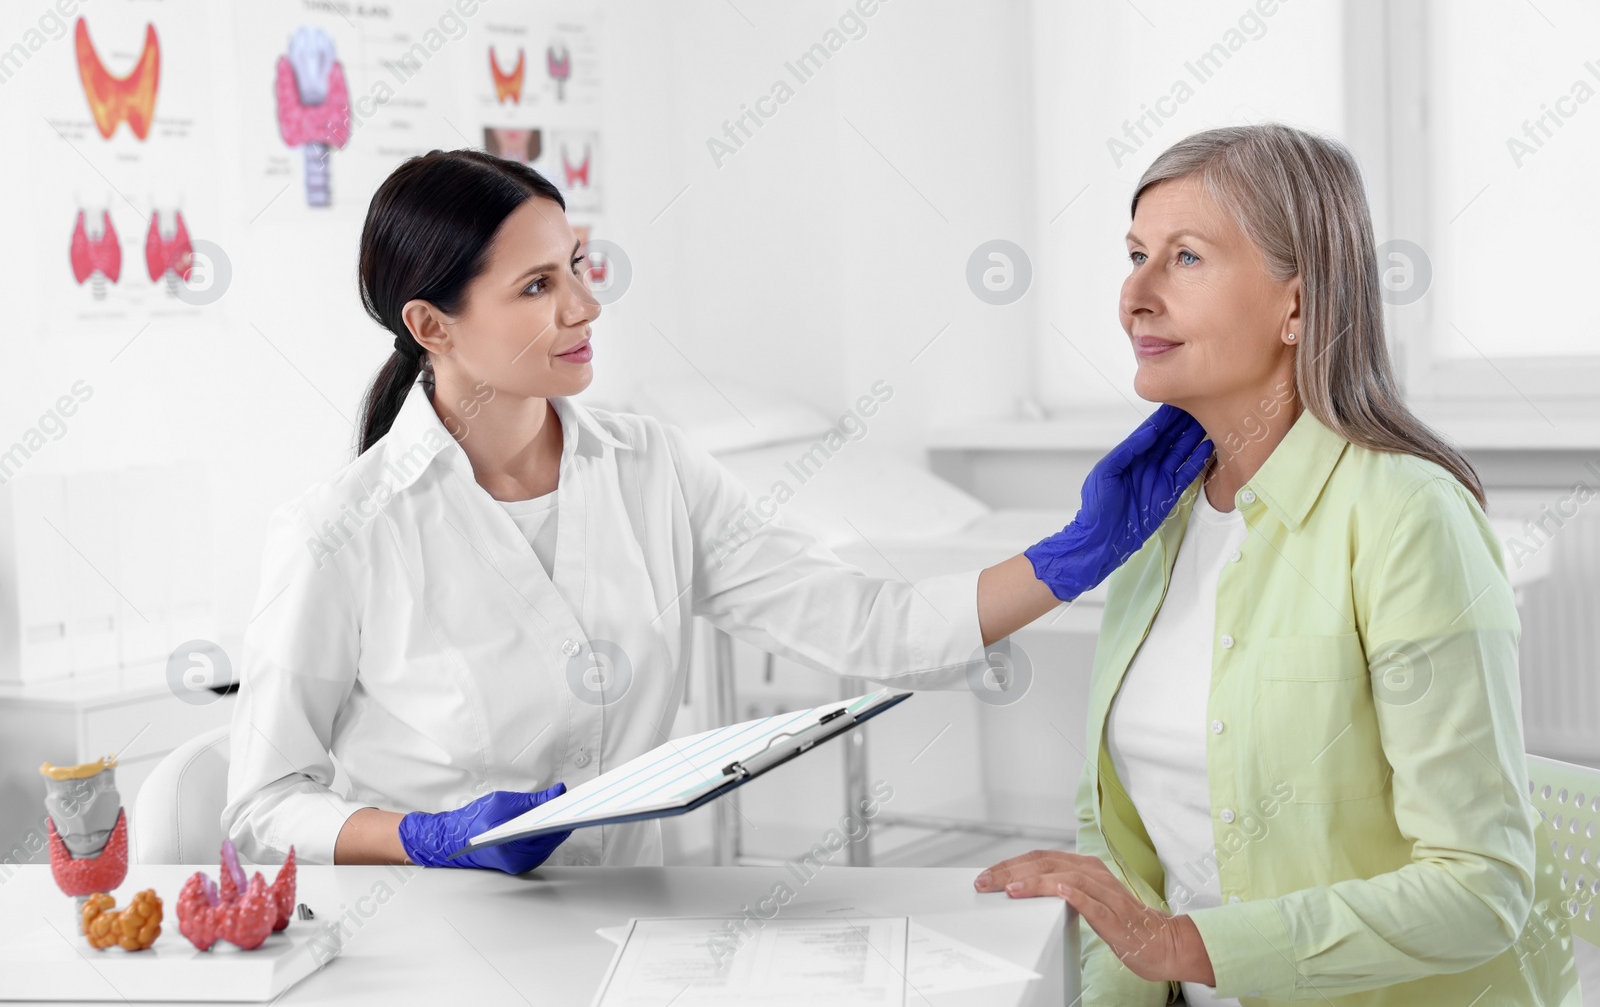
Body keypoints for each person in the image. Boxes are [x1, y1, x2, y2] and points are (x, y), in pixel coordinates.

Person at [222, 148, 1213, 875]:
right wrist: (424, 838)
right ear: (433, 325)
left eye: (576, 265)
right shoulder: (340, 533)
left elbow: (868, 621)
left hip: (630, 915)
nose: (583, 307)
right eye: (537, 285)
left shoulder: (651, 469)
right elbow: (264, 806)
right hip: (430, 945)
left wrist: (1074, 552)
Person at [974, 123, 1579, 1006]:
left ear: (1297, 305)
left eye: (1183, 258)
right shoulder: (1158, 518)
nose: (1133, 296)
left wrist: (1181, 945)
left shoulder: (1409, 516)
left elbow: (1479, 886)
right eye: (1134, 253)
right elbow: (1117, 838)